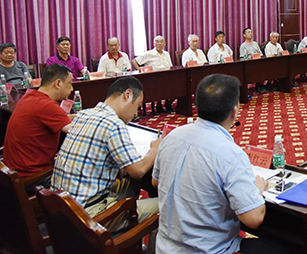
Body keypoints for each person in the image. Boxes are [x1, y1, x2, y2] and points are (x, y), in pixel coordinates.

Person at [152, 74, 289, 254]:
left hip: (165, 248)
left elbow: (155, 181)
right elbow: (254, 218)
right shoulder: (230, 154)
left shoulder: (171, 137)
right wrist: (257, 189)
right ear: (234, 110)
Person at [52, 76, 161, 232]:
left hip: (63, 209)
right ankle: (131, 233)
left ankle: (128, 225)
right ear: (127, 95)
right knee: (166, 204)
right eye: (137, 106)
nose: (136, 113)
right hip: (87, 217)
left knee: (131, 182)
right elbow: (138, 170)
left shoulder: (84, 114)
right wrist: (155, 148)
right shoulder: (114, 123)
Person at [3, 64, 73, 193]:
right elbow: (78, 133)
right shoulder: (47, 105)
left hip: (12, 173)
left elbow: (54, 118)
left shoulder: (29, 96)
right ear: (58, 83)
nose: (72, 89)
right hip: (33, 179)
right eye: (70, 84)